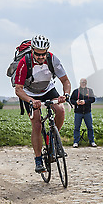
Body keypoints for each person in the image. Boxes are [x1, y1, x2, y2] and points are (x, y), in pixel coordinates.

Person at [14, 35, 71, 173]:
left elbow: (65, 81)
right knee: (37, 124)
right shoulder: (24, 62)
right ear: (32, 50)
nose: (40, 57)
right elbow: (18, 89)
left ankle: (54, 139)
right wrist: (31, 101)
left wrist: (66, 94)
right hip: (30, 94)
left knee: (60, 110)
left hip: (48, 89)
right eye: (38, 54)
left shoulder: (52, 59)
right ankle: (38, 159)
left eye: (43, 54)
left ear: (47, 51)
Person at [70, 78, 97, 148]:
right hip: (78, 112)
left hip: (87, 112)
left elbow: (93, 99)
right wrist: (76, 102)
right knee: (77, 128)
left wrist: (85, 102)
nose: (83, 83)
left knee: (90, 127)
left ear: (86, 83)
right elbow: (71, 100)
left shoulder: (90, 91)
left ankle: (92, 141)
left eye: (85, 82)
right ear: (80, 83)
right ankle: (76, 142)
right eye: (82, 82)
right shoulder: (75, 91)